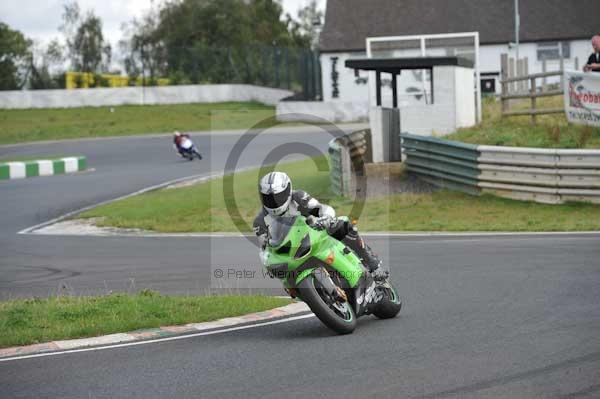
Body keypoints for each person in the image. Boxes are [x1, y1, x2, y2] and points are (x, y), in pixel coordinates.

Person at [253, 171, 389, 281]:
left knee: (344, 224)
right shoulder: (260, 222)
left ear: (288, 190)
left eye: (279, 196)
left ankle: (373, 264)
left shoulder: (299, 197)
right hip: (292, 251)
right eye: (269, 198)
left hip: (314, 233)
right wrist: (268, 262)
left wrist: (325, 219)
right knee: (282, 274)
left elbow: (321, 208)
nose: (274, 202)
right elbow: (265, 248)